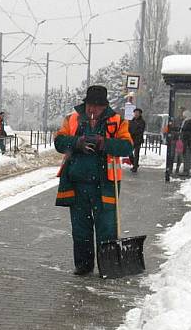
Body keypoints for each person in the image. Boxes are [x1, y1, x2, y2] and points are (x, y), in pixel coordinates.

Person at [53, 85, 133, 276]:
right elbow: (59, 142)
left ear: (104, 106)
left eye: (97, 106)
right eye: (90, 105)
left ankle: (108, 266)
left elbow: (127, 147)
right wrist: (77, 143)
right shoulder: (72, 119)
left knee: (107, 228)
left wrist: (104, 143)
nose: (92, 109)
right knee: (81, 229)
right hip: (77, 185)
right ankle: (83, 265)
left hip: (105, 186)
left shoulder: (117, 121)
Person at [179, 109, 191, 177]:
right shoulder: (188, 121)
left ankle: (186, 170)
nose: (183, 117)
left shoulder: (189, 122)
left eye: (184, 115)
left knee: (186, 157)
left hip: (187, 142)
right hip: (187, 142)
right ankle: (186, 170)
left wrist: (185, 134)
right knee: (186, 156)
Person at [128, 107, 145, 173]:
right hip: (132, 139)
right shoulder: (132, 120)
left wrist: (134, 132)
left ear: (140, 114)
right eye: (135, 113)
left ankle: (135, 167)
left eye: (137, 113)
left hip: (138, 139)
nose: (136, 114)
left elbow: (141, 130)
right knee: (129, 152)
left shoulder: (142, 122)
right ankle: (135, 164)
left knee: (136, 153)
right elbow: (129, 128)